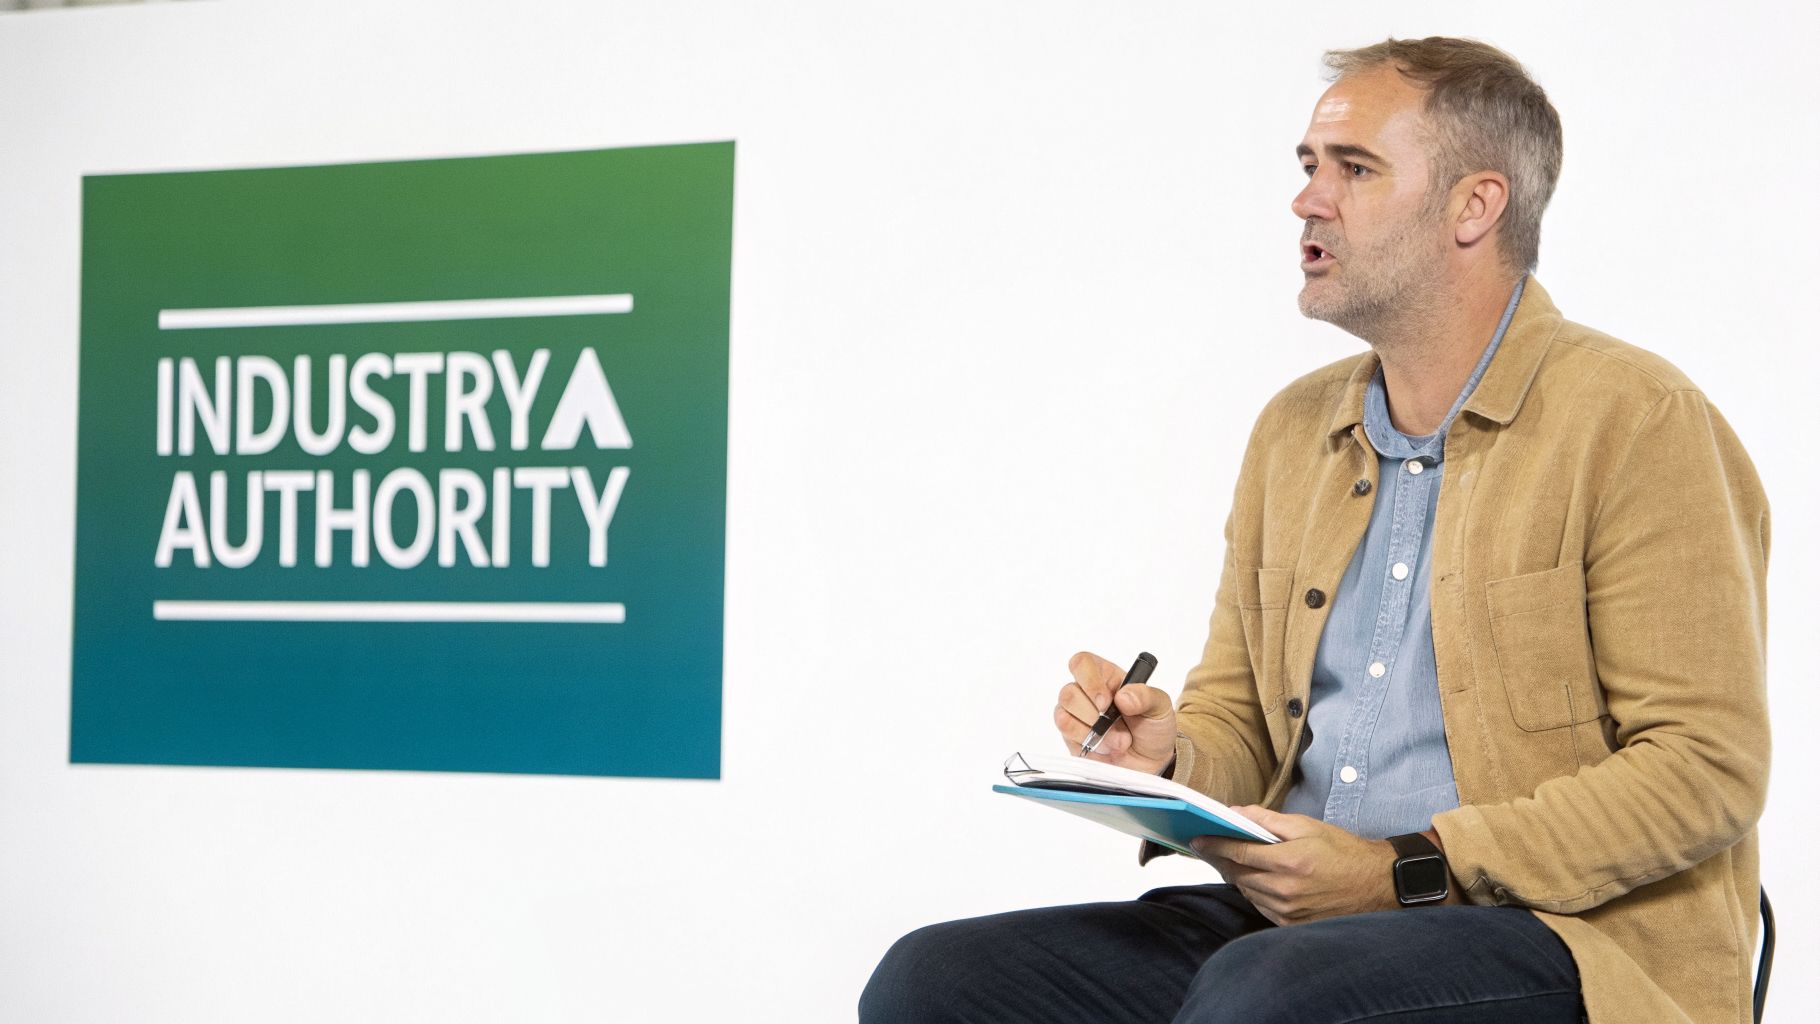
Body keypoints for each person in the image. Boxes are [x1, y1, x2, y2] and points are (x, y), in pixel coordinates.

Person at [860, 35, 1770, 1024]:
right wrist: (1169, 760)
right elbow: (1240, 724)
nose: (1306, 198)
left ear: (1473, 204)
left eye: (1353, 168)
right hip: (1293, 933)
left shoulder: (1635, 418)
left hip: (1564, 937)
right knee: (934, 983)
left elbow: (1702, 767)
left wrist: (1400, 871)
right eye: (1306, 166)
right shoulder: (1294, 431)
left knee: (1265, 997)